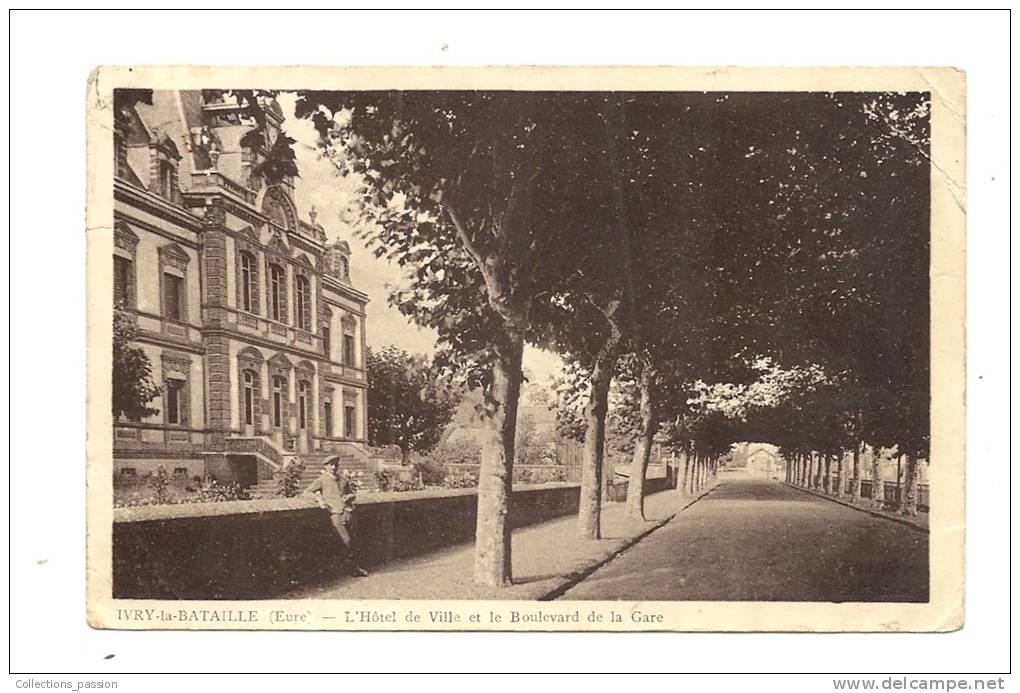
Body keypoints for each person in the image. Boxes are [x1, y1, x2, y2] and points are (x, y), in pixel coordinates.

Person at [304, 457, 368, 577]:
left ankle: (354, 569)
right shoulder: (322, 480)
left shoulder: (343, 479)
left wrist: (349, 497)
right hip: (335, 515)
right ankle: (351, 568)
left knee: (353, 541)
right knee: (346, 541)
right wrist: (319, 499)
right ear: (326, 466)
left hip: (348, 513)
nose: (334, 467)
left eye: (336, 465)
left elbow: (352, 494)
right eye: (331, 465)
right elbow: (307, 492)